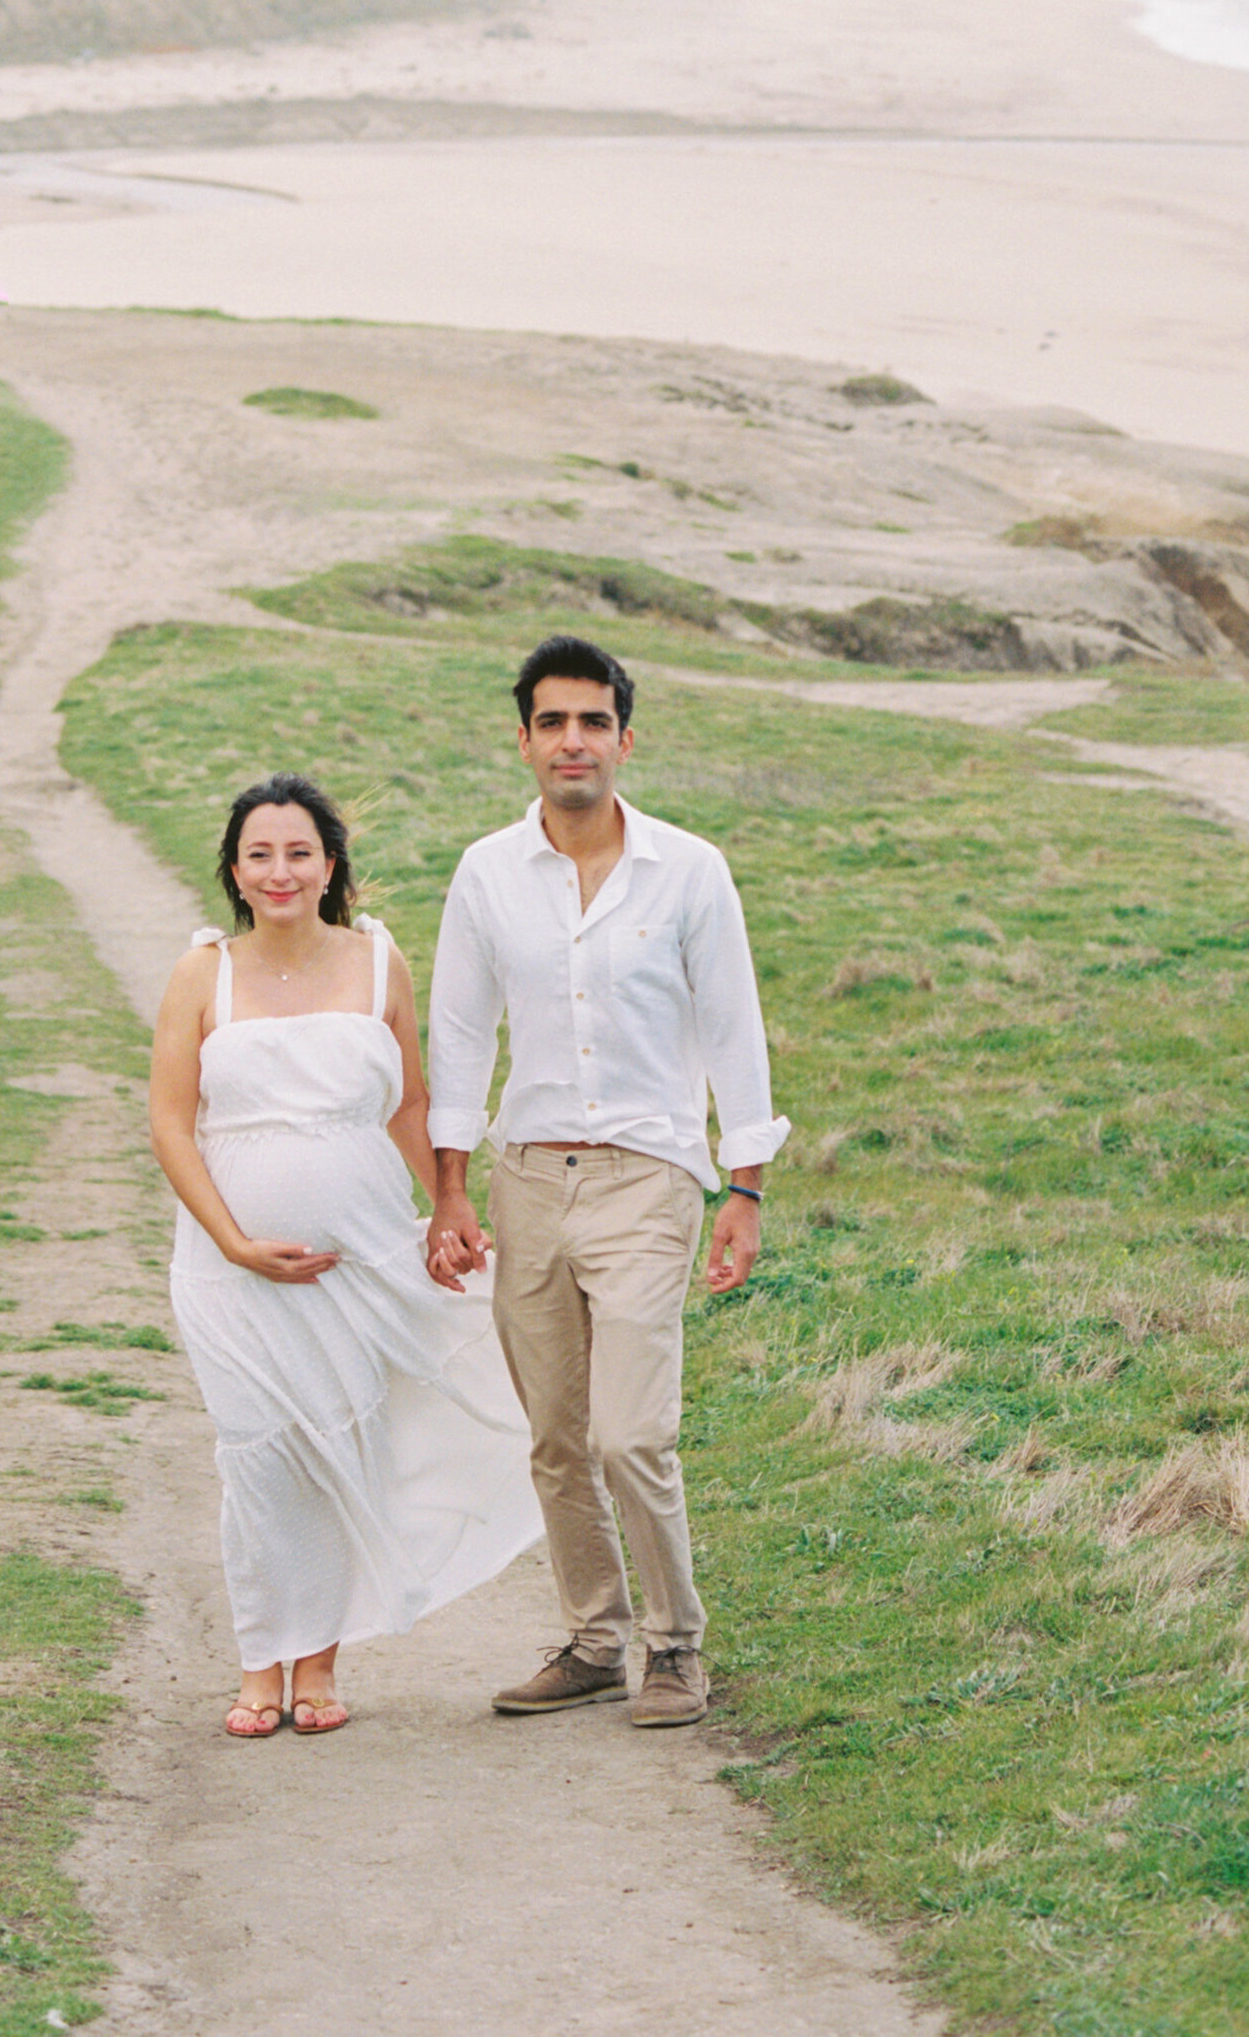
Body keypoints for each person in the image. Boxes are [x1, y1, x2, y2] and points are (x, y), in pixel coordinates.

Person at [424, 633, 787, 1730]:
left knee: (633, 1431)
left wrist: (745, 1187)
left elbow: (733, 1027)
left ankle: (675, 1644)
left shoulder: (689, 869)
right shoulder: (487, 870)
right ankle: (593, 1638)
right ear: (523, 739)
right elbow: (456, 1033)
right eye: (550, 721)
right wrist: (450, 1192)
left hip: (649, 1178)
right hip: (529, 1178)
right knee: (554, 1435)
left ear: (625, 738)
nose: (570, 740)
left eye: (591, 720)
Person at [150, 770, 542, 1738]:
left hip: (358, 1251)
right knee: (260, 1456)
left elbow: (410, 1102)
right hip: (228, 1266)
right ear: (235, 872)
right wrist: (234, 1241)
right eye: (258, 853)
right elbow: (169, 1120)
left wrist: (451, 1201)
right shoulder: (205, 970)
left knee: (338, 1440)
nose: (279, 870)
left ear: (330, 864)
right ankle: (258, 1663)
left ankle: (318, 1663)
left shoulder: (376, 961)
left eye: (298, 851)